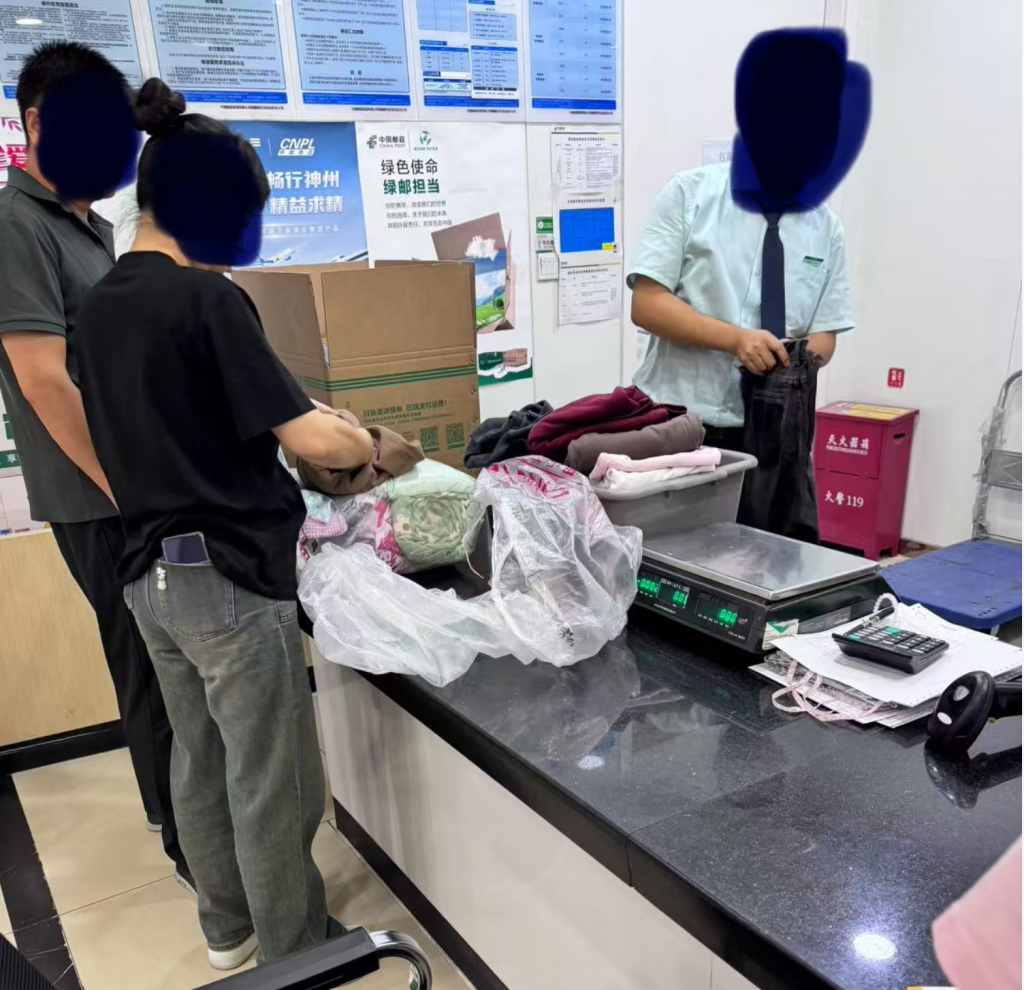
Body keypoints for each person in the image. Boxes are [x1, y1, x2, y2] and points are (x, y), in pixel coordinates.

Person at [74, 78, 372, 970]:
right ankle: (298, 951)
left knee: (197, 759)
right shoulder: (207, 298)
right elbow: (311, 437)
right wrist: (361, 439)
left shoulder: (98, 304)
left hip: (145, 575)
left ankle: (227, 930)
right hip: (229, 578)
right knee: (271, 773)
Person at [0, 42, 190, 885]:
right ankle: (192, 850)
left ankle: (183, 820)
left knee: (166, 660)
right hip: (98, 497)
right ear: (39, 124)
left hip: (131, 487)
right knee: (149, 667)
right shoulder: (16, 227)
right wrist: (129, 487)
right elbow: (44, 380)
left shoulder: (88, 226)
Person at [629, 29, 869, 541]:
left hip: (775, 433)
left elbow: (826, 333)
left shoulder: (826, 227)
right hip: (679, 424)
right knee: (673, 562)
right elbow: (647, 304)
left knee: (768, 560)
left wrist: (793, 361)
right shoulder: (690, 196)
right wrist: (736, 340)